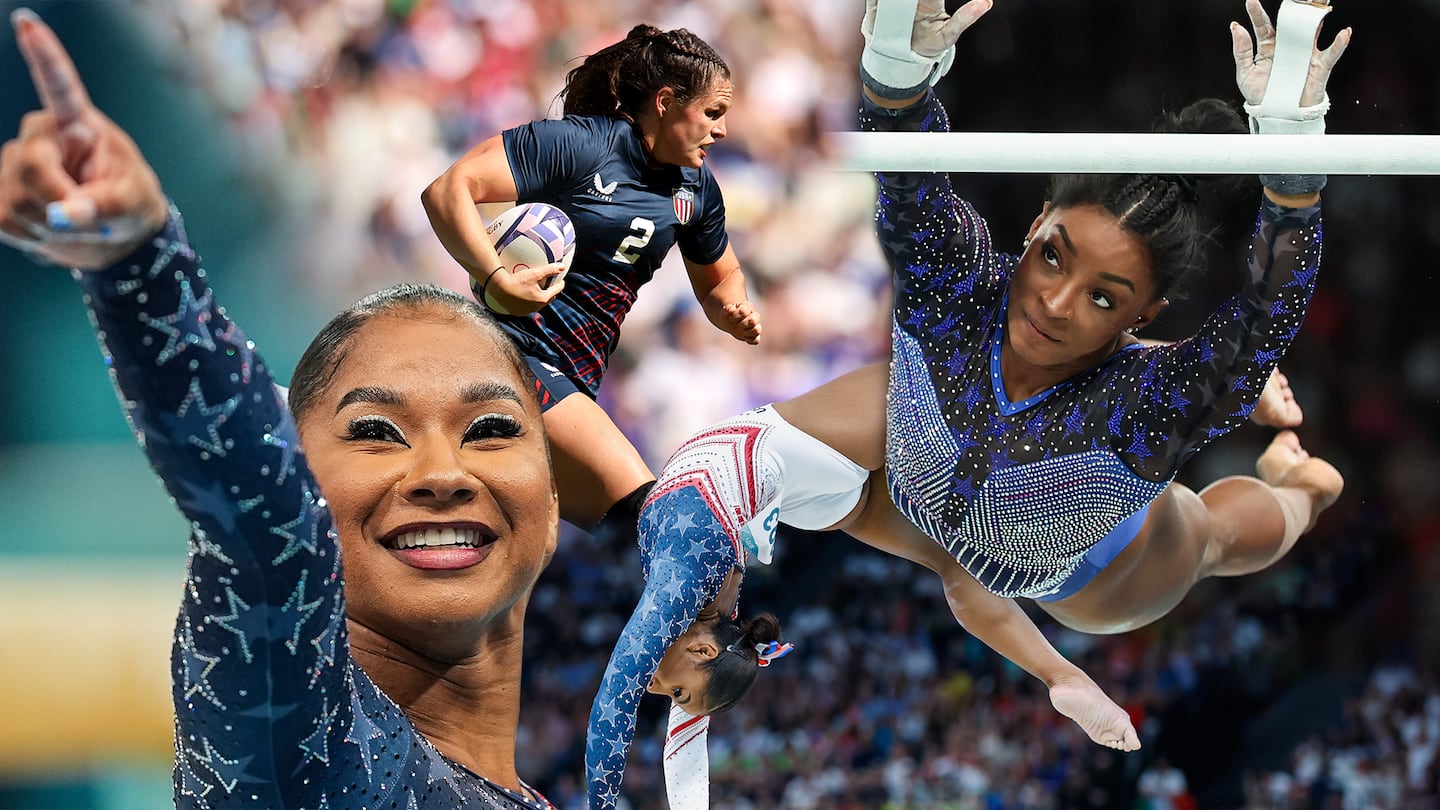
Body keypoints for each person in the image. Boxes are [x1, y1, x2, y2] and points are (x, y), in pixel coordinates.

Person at [584, 0, 1350, 804]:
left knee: (1217, 537)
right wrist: (896, 80)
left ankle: (1304, 488)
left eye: (1102, 297)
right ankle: (1286, 465)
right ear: (1036, 225)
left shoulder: (1144, 401)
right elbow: (909, 183)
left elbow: (1266, 318)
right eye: (1052, 257)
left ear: (1141, 318)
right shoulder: (959, 299)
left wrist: (1292, 178)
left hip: (1098, 562)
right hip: (966, 513)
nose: (1055, 303)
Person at [1, 10, 560, 808]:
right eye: (374, 431)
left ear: (547, 508)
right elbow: (271, 533)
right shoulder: (307, 751)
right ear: (310, 485)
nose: (440, 471)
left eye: (491, 428)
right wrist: (138, 264)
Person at [421, 24, 762, 548]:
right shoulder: (583, 146)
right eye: (713, 113)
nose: (721, 131)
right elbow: (448, 189)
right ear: (668, 101)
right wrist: (495, 278)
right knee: (659, 524)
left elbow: (723, 278)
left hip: (578, 382)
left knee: (595, 552)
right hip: (508, 357)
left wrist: (731, 310)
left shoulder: (697, 190)